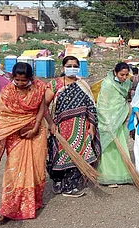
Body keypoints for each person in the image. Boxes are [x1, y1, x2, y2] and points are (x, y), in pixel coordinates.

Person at [0, 62, 47, 224]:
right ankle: (7, 209)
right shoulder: (7, 92)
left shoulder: (39, 87)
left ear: (30, 78)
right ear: (12, 77)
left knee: (36, 168)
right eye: (17, 80)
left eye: (24, 80)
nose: (20, 83)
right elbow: (2, 117)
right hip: (15, 136)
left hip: (36, 132)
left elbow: (42, 108)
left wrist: (35, 127)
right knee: (13, 171)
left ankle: (31, 203)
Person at [45, 55, 101, 197]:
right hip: (60, 128)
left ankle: (71, 185)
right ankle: (58, 182)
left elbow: (91, 107)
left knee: (78, 154)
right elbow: (44, 106)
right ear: (63, 67)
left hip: (81, 126)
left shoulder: (83, 85)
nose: (72, 68)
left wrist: (92, 127)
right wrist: (50, 123)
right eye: (69, 66)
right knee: (58, 154)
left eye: (75, 66)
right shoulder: (55, 84)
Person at [96, 62, 133, 187]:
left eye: (126, 75)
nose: (124, 77)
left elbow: (124, 100)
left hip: (120, 120)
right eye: (122, 74)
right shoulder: (107, 84)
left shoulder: (127, 83)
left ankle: (122, 174)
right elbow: (102, 105)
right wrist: (107, 121)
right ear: (115, 73)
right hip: (108, 122)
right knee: (109, 149)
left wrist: (124, 113)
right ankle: (108, 176)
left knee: (121, 147)